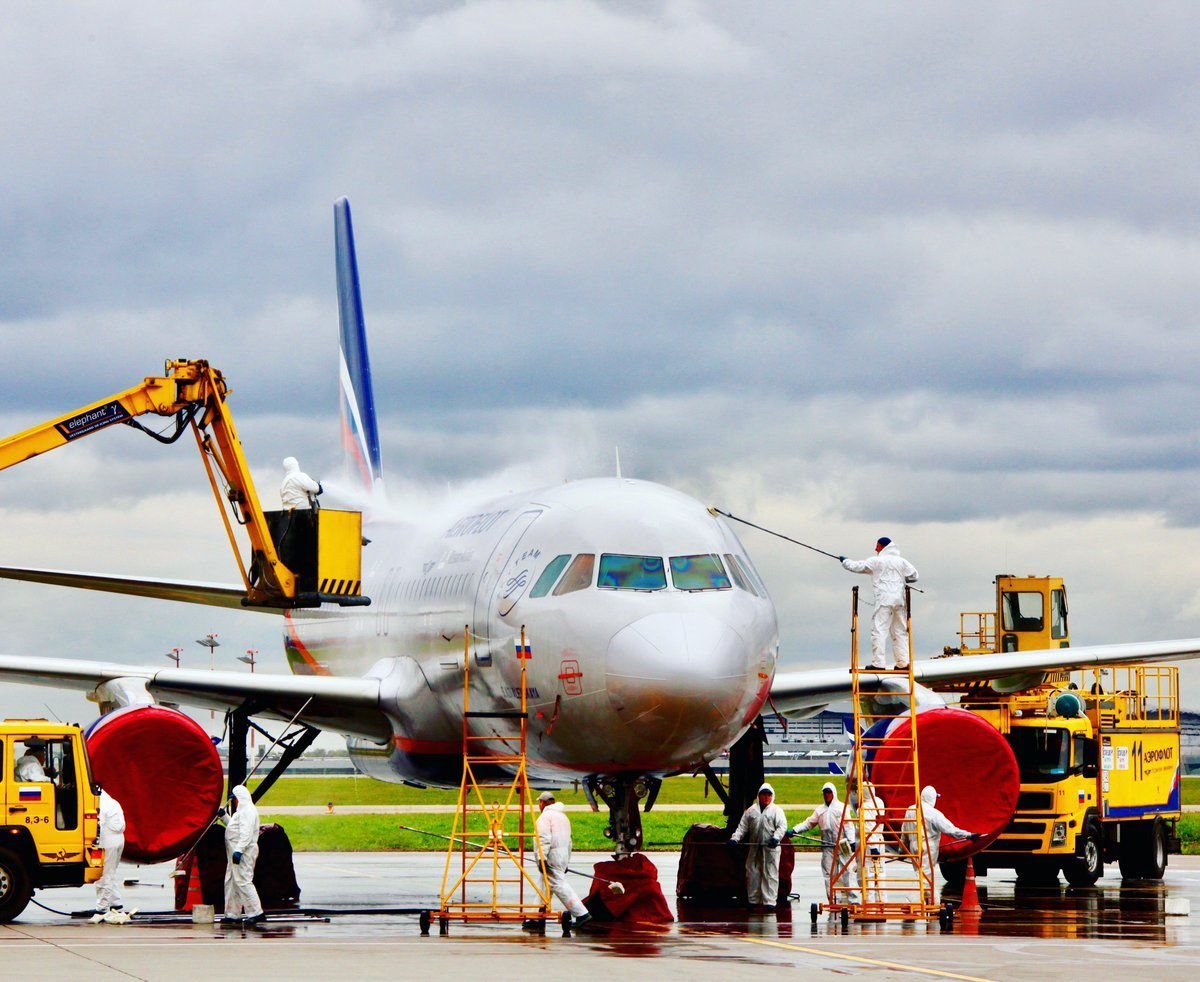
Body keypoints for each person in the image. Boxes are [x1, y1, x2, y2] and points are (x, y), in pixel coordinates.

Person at [840, 537, 919, 669]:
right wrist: (900, 579)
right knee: (900, 631)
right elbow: (914, 576)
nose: (875, 549)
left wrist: (845, 561)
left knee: (879, 630)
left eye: (877, 546)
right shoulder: (902, 562)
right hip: (899, 600)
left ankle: (879, 663)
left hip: (884, 600)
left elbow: (857, 567)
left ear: (883, 547)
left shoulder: (877, 561)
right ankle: (903, 663)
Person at [902, 785, 982, 902]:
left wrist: (901, 849)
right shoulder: (934, 814)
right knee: (924, 877)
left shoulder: (911, 810)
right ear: (932, 799)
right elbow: (951, 830)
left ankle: (933, 901)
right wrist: (969, 835)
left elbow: (904, 832)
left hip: (913, 847)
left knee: (924, 875)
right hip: (928, 849)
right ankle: (910, 901)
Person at [785, 780, 858, 904]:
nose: (826, 795)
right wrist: (795, 830)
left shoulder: (842, 808)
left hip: (842, 844)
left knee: (848, 871)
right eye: (824, 793)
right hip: (827, 847)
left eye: (829, 792)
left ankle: (853, 900)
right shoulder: (820, 810)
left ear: (833, 793)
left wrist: (851, 842)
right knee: (829, 874)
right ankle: (834, 900)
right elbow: (809, 823)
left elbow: (848, 825)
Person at [727, 782, 789, 912]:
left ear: (772, 796)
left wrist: (776, 838)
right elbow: (742, 827)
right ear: (758, 796)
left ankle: (770, 902)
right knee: (752, 873)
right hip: (754, 847)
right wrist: (735, 838)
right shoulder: (751, 811)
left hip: (771, 848)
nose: (766, 797)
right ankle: (753, 900)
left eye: (768, 795)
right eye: (763, 794)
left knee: (770, 874)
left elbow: (782, 826)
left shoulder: (776, 811)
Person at [535, 791, 592, 928]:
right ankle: (536, 916)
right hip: (562, 856)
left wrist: (541, 858)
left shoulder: (544, 817)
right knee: (544, 884)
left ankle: (581, 914)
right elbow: (569, 842)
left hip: (551, 856)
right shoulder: (563, 817)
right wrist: (567, 861)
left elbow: (543, 839)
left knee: (558, 884)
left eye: (539, 803)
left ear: (542, 802)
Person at [223, 785, 264, 924]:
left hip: (243, 853)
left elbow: (246, 833)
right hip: (234, 852)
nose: (234, 802)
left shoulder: (248, 811)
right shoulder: (241, 812)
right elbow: (234, 828)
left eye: (234, 799)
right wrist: (224, 817)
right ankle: (232, 914)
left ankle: (256, 912)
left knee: (243, 881)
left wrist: (239, 850)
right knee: (232, 882)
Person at [92, 786, 128, 923]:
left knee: (103, 874)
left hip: (108, 840)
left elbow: (98, 824)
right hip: (119, 839)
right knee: (111, 872)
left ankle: (101, 908)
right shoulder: (113, 802)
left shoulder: (99, 804)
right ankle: (116, 903)